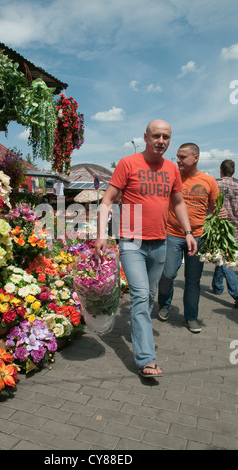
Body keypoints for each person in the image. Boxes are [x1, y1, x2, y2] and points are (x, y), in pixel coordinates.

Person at [95, 120, 197, 378]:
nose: (161, 141)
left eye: (166, 137)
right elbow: (107, 200)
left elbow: (178, 203)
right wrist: (101, 234)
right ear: (145, 137)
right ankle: (145, 359)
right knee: (141, 296)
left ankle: (140, 333)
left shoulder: (172, 169)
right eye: (156, 136)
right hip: (132, 243)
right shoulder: (128, 164)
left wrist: (188, 232)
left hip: (160, 244)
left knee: (148, 296)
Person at [157, 143, 226, 332]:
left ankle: (191, 317)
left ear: (195, 158)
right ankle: (164, 304)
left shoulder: (208, 181)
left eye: (182, 157)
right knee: (168, 274)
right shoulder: (173, 177)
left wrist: (221, 213)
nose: (177, 160)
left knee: (193, 279)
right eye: (177, 156)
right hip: (172, 234)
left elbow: (215, 208)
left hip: (198, 238)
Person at [211, 159, 238, 308]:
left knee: (225, 262)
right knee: (221, 256)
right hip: (236, 229)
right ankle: (217, 286)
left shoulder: (215, 183)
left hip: (220, 228)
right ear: (233, 171)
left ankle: (236, 293)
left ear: (221, 170)